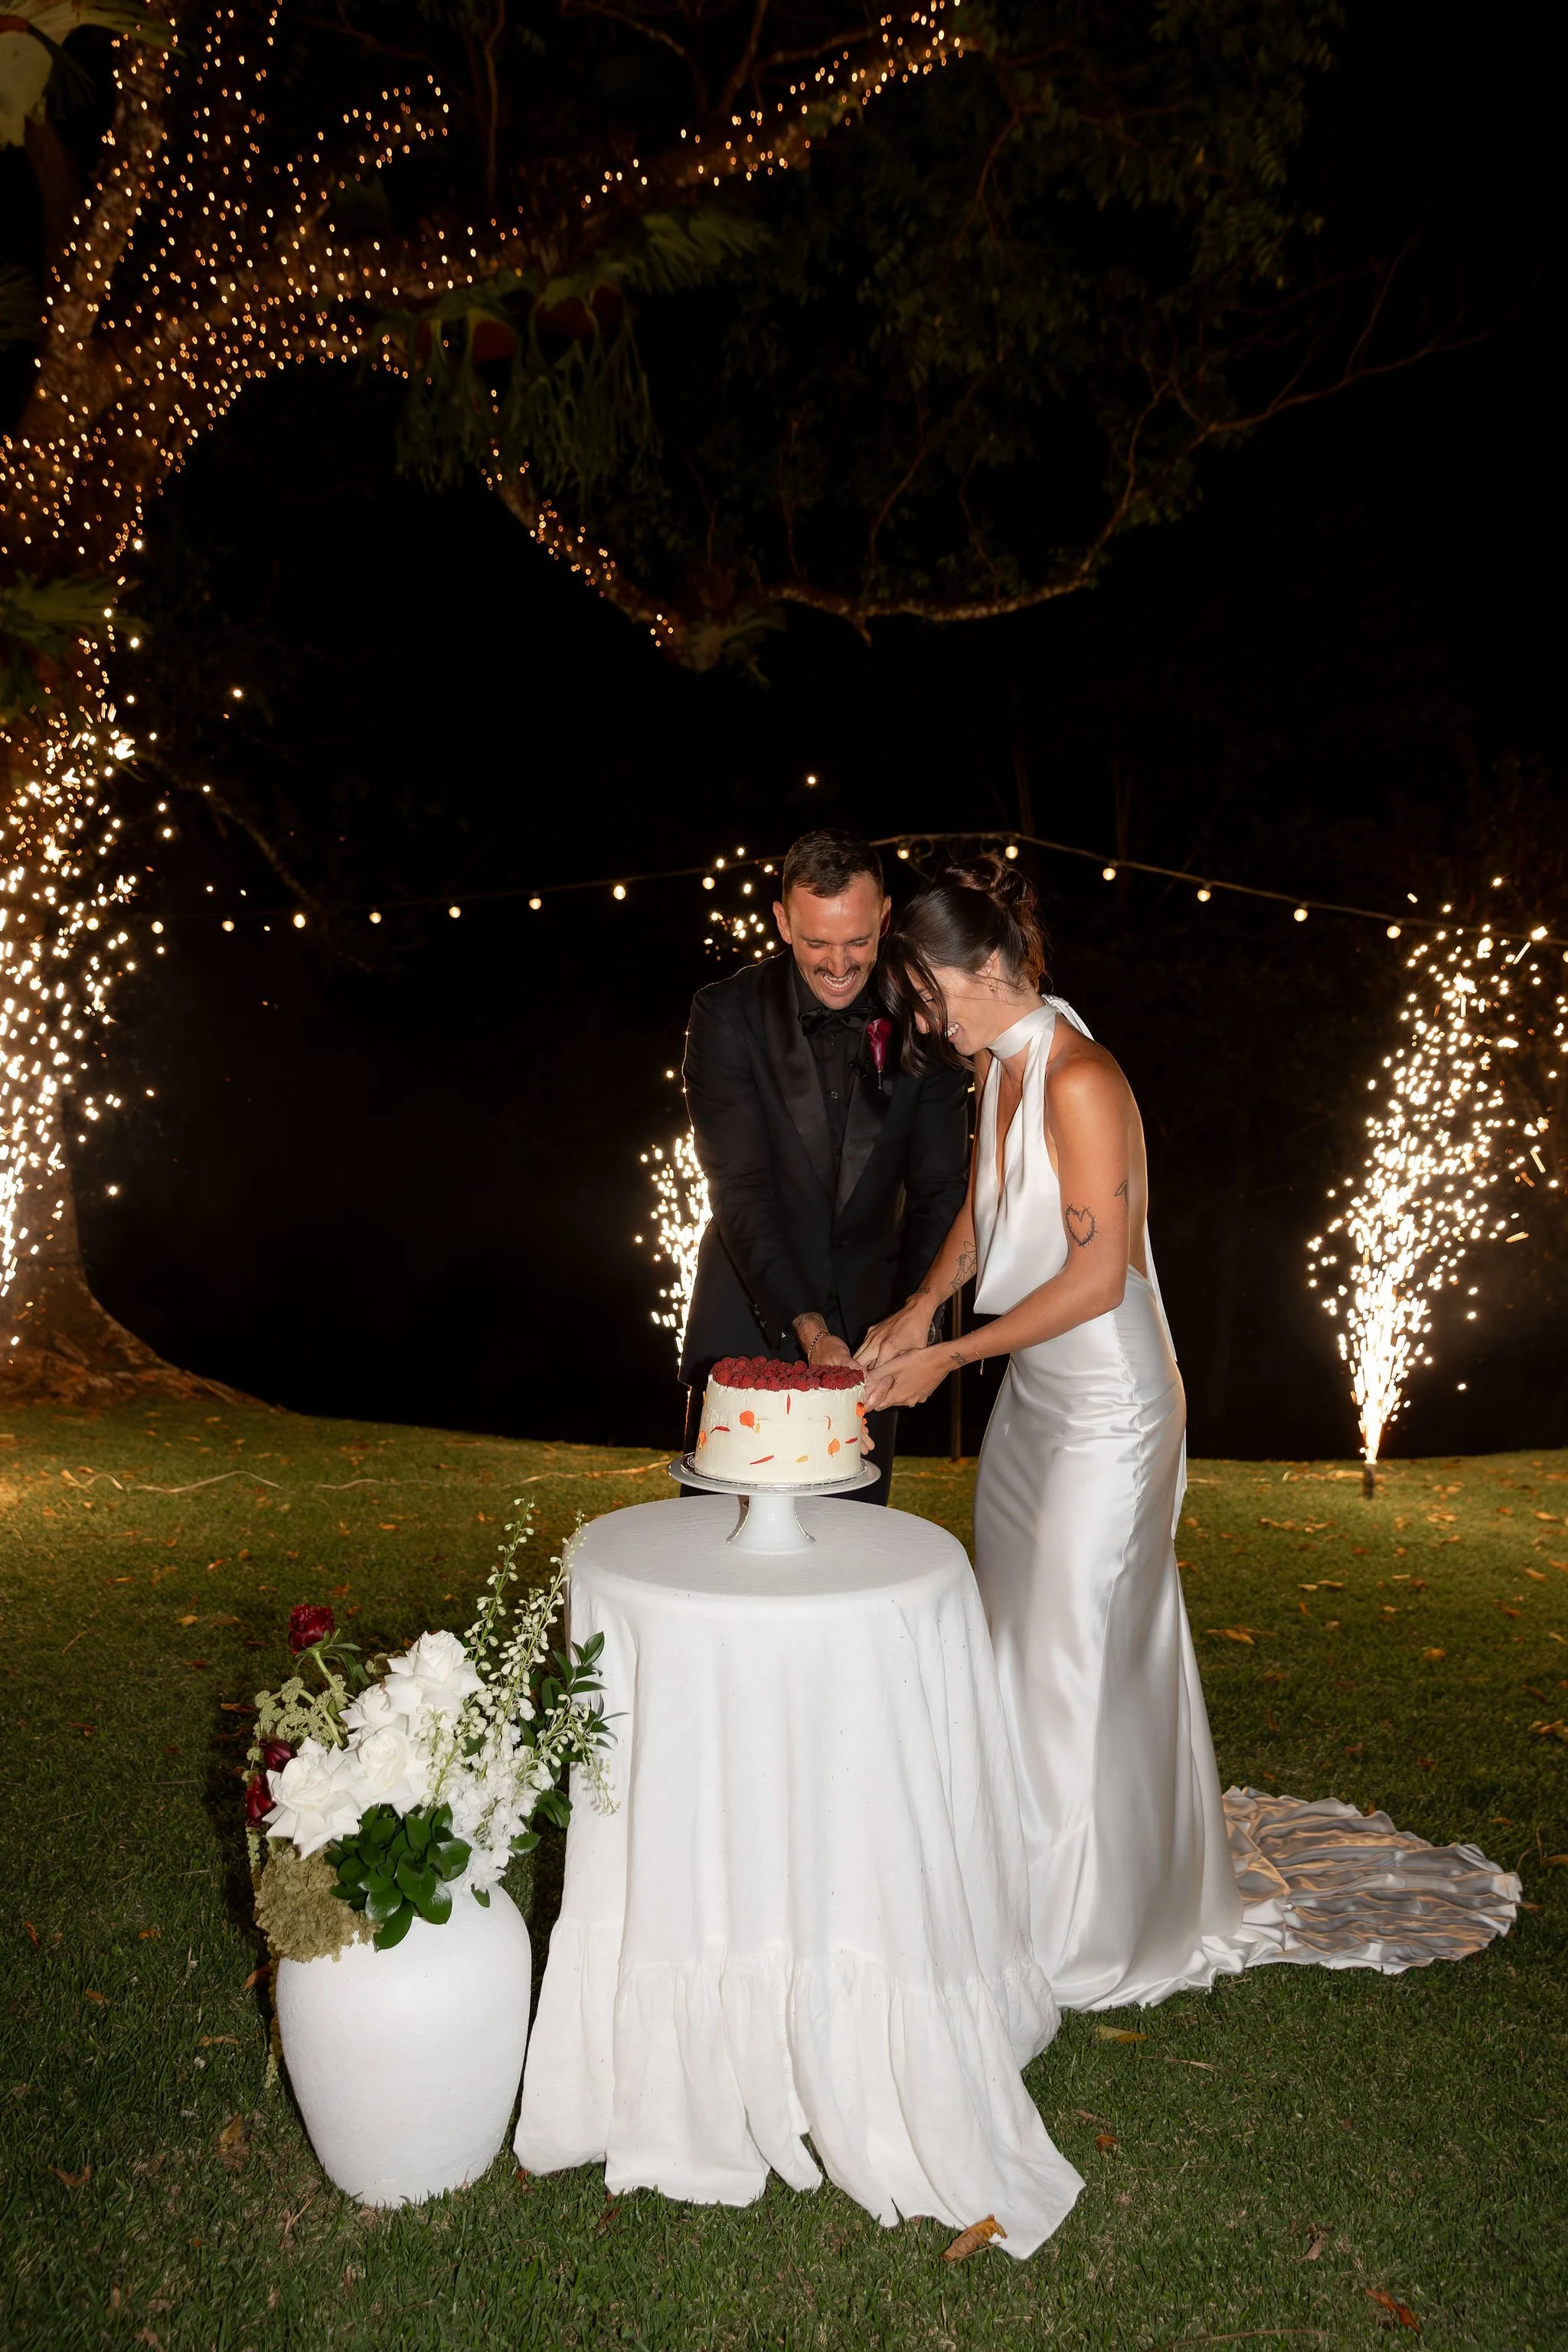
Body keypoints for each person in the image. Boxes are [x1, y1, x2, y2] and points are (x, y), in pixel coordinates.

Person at [859, 858, 1520, 2004]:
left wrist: (952, 1358)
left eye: (926, 993)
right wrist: (921, 1305)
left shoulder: (1079, 1077)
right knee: (1024, 1652)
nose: (923, 1019)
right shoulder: (1001, 1070)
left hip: (1108, 1411)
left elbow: (1103, 1275)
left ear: (981, 969)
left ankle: (1082, 1939)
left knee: (1071, 1658)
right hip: (1035, 1407)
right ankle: (1029, 1889)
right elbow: (985, 1205)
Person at [680, 828, 970, 1502]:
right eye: (817, 943)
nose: (839, 965)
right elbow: (740, 1191)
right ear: (782, 921)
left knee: (851, 1561)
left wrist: (911, 1321)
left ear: (886, 919)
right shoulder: (725, 1016)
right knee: (721, 1564)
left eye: (858, 942)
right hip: (750, 1324)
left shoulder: (926, 1016)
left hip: (874, 1343)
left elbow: (939, 1191)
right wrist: (809, 1328)